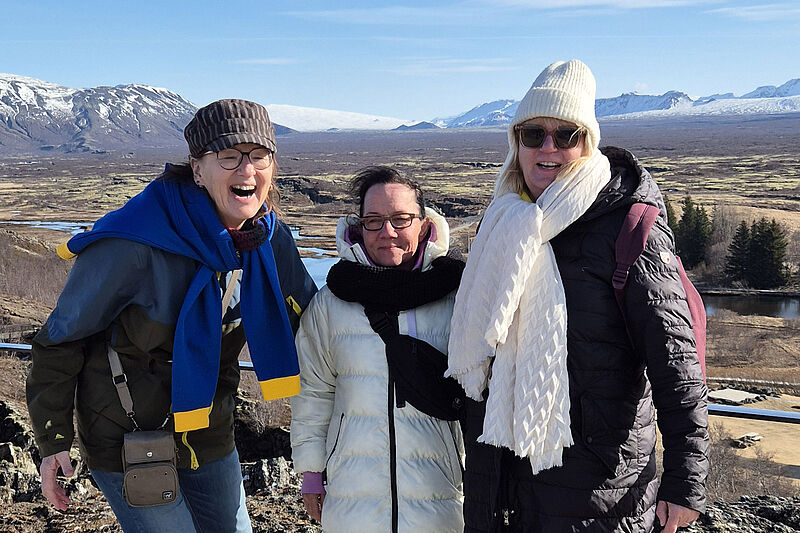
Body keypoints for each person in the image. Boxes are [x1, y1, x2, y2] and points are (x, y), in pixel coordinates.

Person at [26, 99, 317, 532]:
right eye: (229, 156)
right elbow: (61, 338)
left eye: (259, 156)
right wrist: (53, 439)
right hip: (127, 437)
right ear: (197, 169)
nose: (247, 170)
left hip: (208, 429)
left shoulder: (268, 240)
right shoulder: (135, 242)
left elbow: (314, 324)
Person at [446, 60, 709, 533]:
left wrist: (685, 480)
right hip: (499, 481)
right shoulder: (501, 222)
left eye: (566, 134)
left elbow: (675, 359)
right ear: (516, 143)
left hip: (597, 492)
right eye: (533, 134)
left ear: (588, 143)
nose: (548, 147)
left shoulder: (629, 227)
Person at [290, 166, 466, 533]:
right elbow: (313, 392)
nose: (387, 232)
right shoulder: (331, 304)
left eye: (401, 219)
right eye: (374, 221)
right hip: (352, 499)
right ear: (359, 228)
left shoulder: (460, 297)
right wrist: (311, 472)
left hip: (443, 498)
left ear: (424, 225)